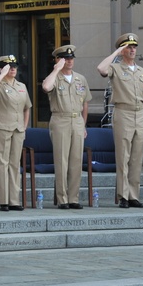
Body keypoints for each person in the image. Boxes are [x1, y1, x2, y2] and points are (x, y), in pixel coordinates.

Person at [98, 33, 143, 208]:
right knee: (123, 156)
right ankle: (123, 196)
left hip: (139, 115)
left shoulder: (142, 71)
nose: (132, 50)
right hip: (123, 113)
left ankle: (133, 195)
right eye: (128, 47)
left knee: (137, 157)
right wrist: (115, 54)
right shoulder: (117, 68)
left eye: (134, 47)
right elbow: (101, 69)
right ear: (122, 50)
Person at [42, 44, 91, 209]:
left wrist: (83, 124)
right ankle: (62, 198)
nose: (69, 61)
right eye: (65, 59)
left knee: (76, 160)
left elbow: (85, 103)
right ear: (58, 60)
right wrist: (56, 69)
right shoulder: (55, 77)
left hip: (76, 120)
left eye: (71, 58)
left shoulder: (80, 78)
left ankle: (73, 198)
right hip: (60, 119)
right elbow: (46, 87)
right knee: (61, 160)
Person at [0, 55, 31, 211]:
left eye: (14, 66)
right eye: (8, 66)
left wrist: (24, 127)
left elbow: (27, 108)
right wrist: (1, 75)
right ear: (2, 68)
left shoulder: (21, 86)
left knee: (14, 164)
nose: (13, 69)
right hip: (2, 127)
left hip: (18, 129)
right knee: (2, 163)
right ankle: (3, 200)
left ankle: (14, 200)